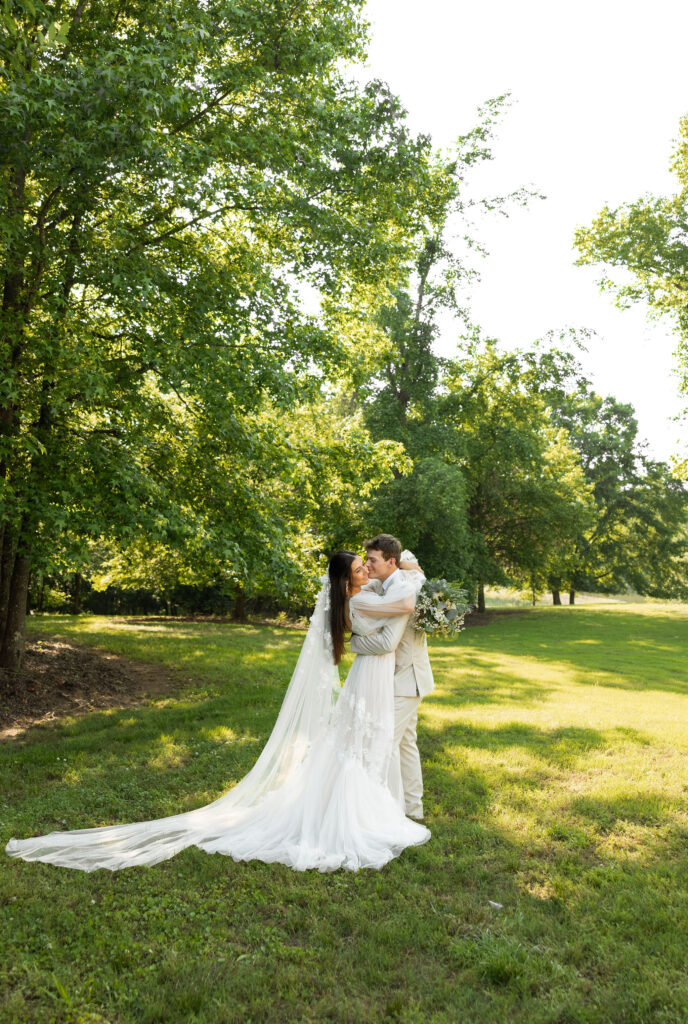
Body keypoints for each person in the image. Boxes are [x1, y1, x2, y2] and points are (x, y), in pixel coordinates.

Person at [6, 551, 430, 873]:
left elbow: (397, 583)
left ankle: (377, 804)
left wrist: (409, 572)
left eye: (366, 564)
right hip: (367, 677)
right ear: (344, 580)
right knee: (354, 748)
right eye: (359, 568)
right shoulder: (357, 603)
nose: (365, 571)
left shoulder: (363, 593)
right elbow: (396, 613)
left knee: (354, 748)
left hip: (369, 682)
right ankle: (356, 813)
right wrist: (406, 599)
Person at [351, 535, 434, 821]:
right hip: (397, 677)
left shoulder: (402, 585)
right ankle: (413, 809)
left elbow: (387, 643)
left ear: (390, 562)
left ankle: (376, 813)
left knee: (382, 742)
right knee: (406, 743)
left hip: (406, 678)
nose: (367, 565)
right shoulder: (386, 582)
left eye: (372, 560)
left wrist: (355, 644)